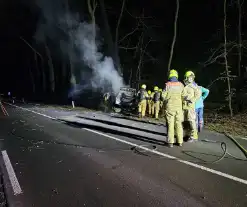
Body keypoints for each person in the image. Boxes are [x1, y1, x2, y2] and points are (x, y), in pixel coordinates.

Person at [162, 69, 184, 147]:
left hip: (170, 107)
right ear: (176, 75)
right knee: (178, 124)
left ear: (170, 75)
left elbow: (163, 96)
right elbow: (183, 96)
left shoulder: (167, 85)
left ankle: (170, 142)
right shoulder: (181, 85)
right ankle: (180, 142)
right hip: (179, 108)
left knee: (170, 125)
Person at [182, 71, 202, 142]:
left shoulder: (193, 86)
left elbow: (198, 94)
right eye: (188, 77)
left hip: (190, 107)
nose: (189, 79)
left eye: (191, 77)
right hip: (184, 107)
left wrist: (192, 100)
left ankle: (194, 136)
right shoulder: (186, 86)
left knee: (191, 121)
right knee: (185, 122)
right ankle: (187, 135)